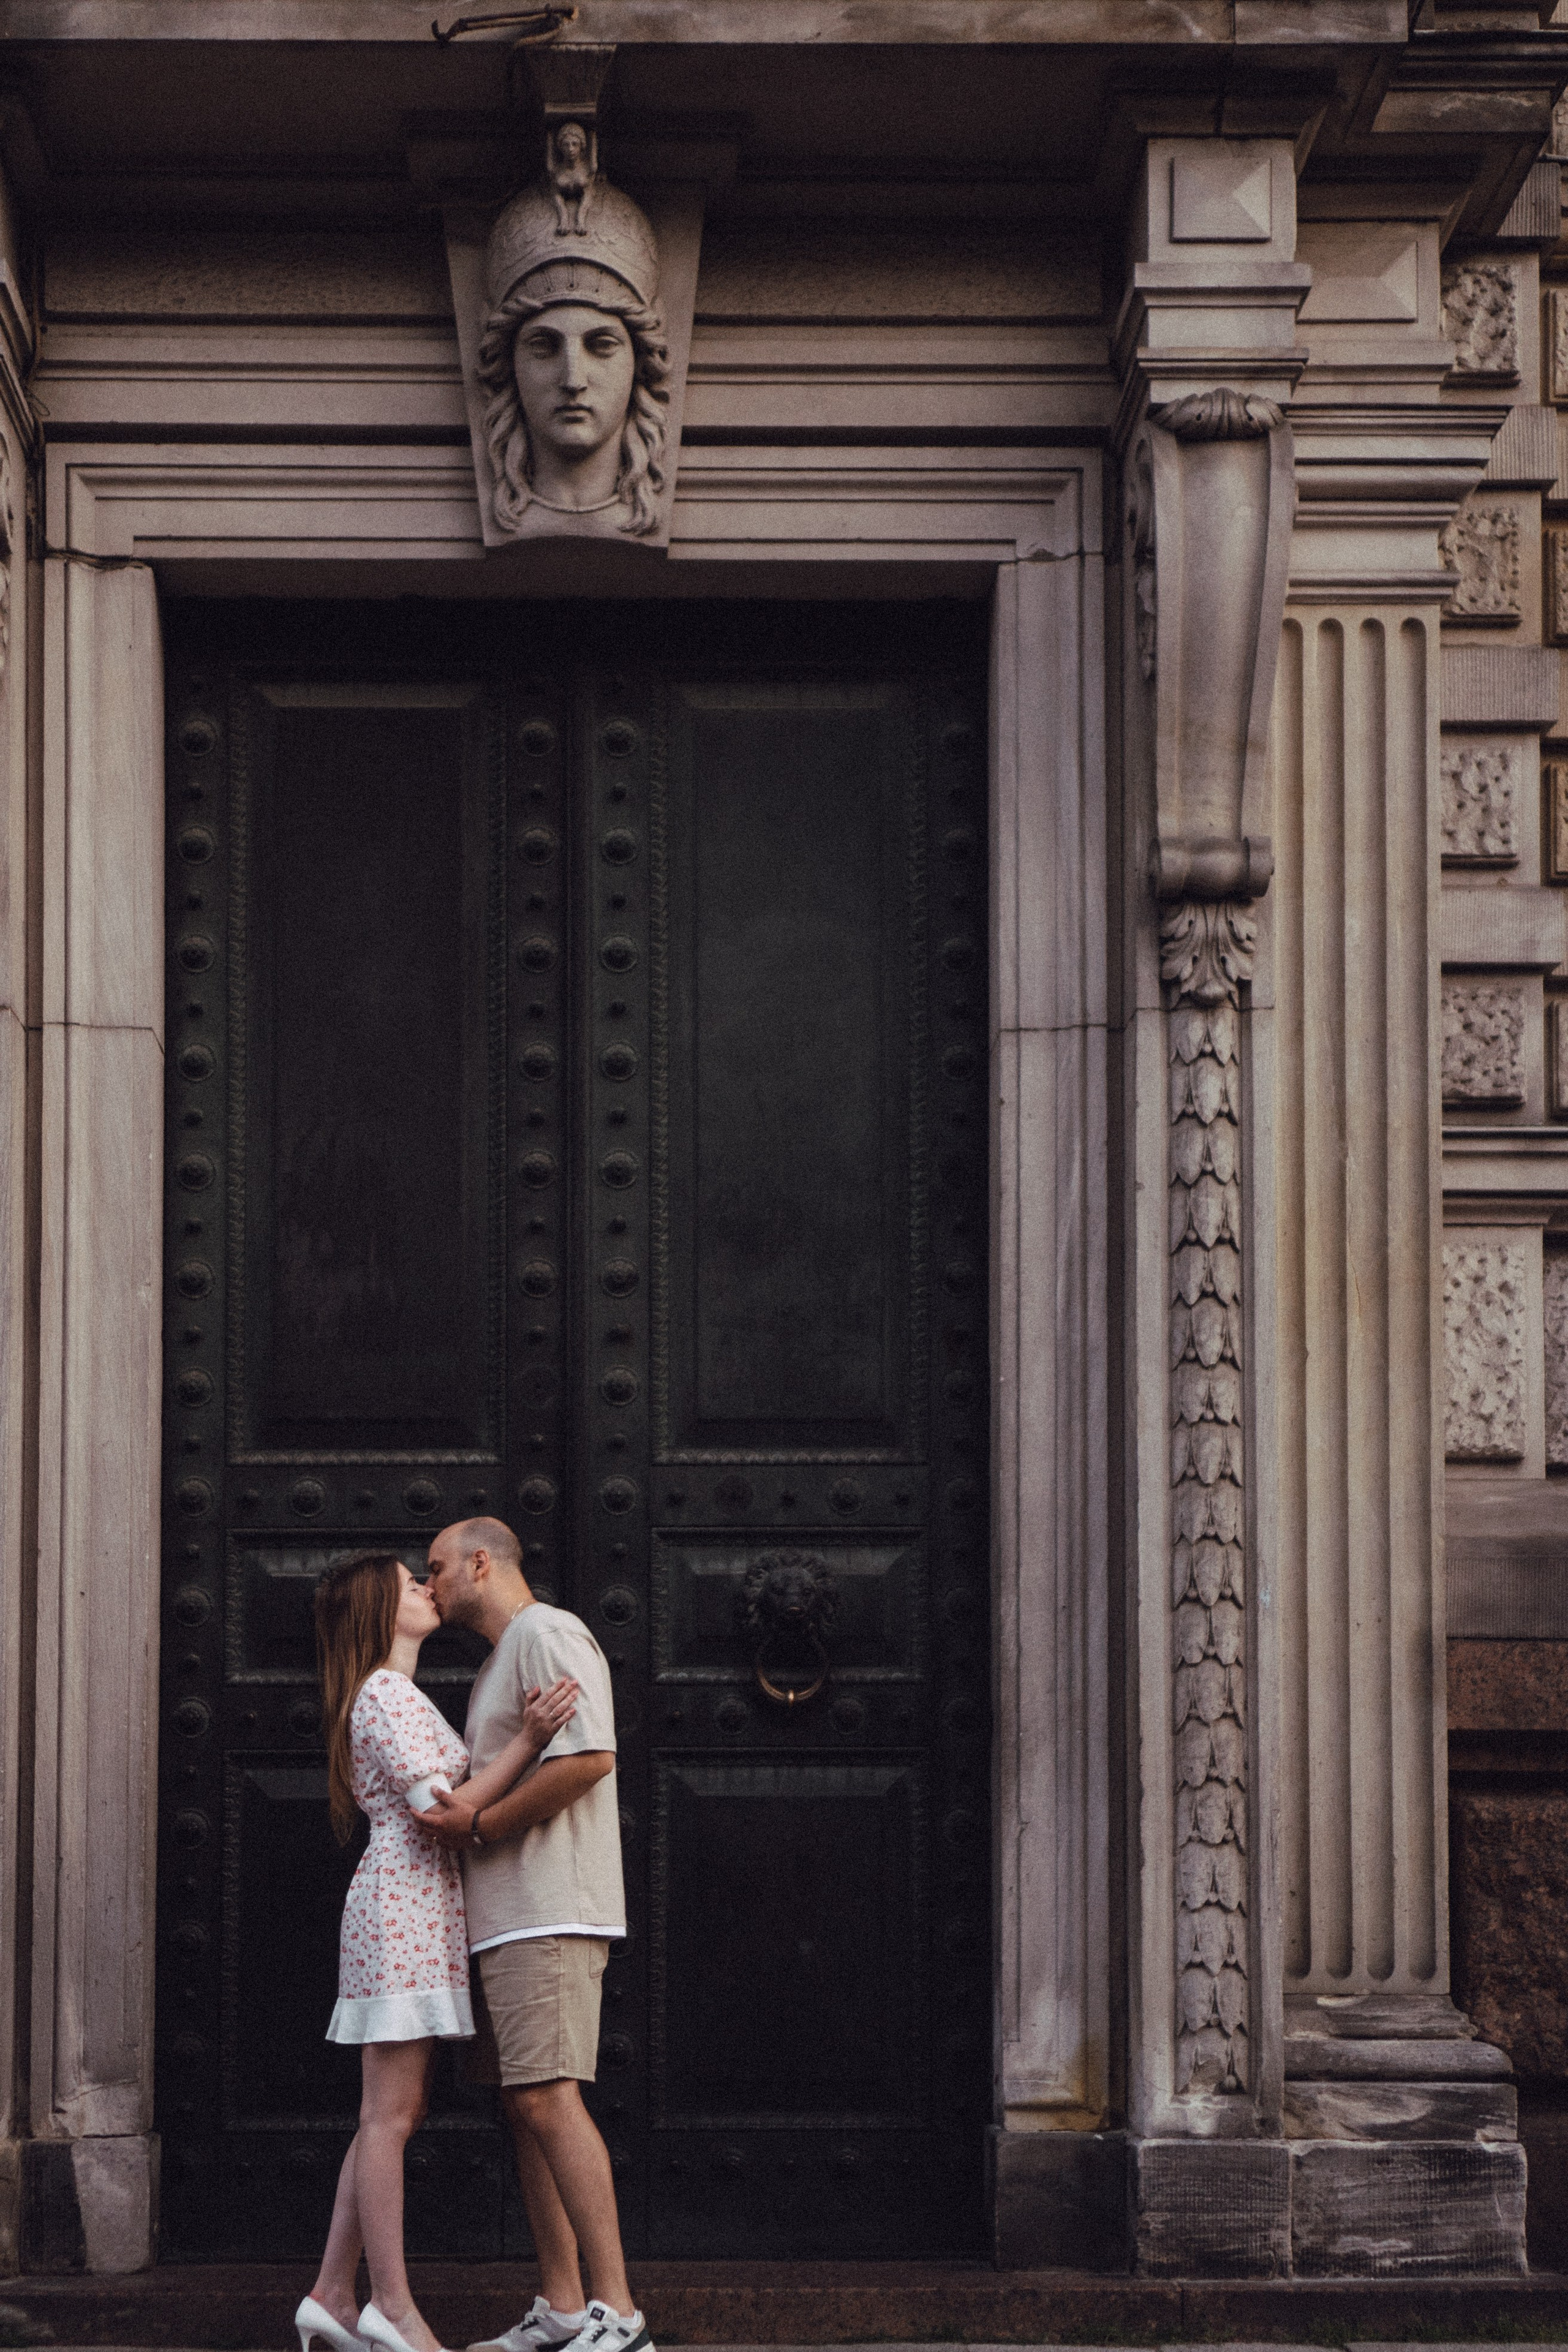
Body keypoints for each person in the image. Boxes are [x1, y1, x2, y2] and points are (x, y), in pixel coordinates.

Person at [295, 1551, 578, 2352]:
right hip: (402, 1908)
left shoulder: (395, 1694)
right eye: (408, 1582)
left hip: (416, 1909)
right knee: (388, 2115)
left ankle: (330, 2294)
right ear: (381, 1610)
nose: (426, 1586)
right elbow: (439, 1810)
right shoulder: (385, 1693)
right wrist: (528, 1741)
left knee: (393, 2113)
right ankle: (391, 2305)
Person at [420, 1520, 650, 2352]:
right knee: (525, 2109)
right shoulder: (499, 1660)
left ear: (483, 1563)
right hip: (506, 1917)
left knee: (550, 2097)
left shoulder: (547, 1632)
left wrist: (479, 1824)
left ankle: (618, 2315)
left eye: (439, 1566)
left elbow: (589, 1758)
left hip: (550, 1907)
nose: (430, 1579)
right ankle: (561, 2305)